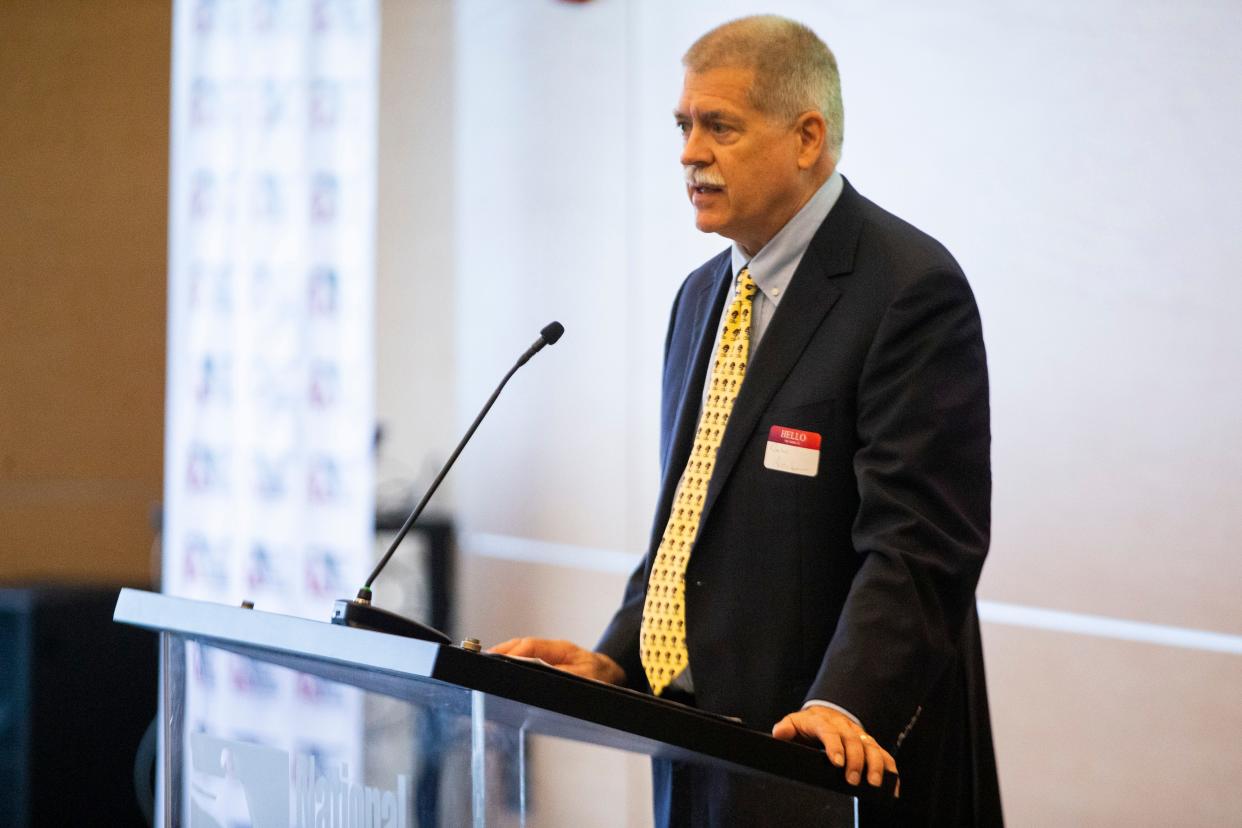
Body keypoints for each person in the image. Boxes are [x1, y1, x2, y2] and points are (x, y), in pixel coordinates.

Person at [493, 14, 1002, 827]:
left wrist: (844, 702)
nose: (691, 152)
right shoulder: (701, 297)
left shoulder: (907, 289)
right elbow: (691, 524)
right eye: (683, 126)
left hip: (831, 763)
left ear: (808, 137)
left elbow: (920, 546)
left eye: (719, 126)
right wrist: (615, 659)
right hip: (698, 755)